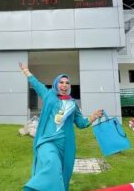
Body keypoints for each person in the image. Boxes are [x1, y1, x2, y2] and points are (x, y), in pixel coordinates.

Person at [20, 63, 103, 191]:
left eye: (67, 83)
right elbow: (36, 84)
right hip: (47, 142)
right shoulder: (49, 96)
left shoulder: (72, 104)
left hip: (64, 146)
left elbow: (81, 123)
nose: (64, 85)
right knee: (51, 164)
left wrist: (93, 117)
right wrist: (26, 71)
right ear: (56, 84)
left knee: (61, 173)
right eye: (61, 82)